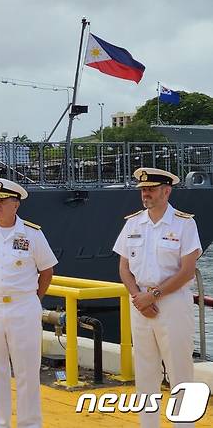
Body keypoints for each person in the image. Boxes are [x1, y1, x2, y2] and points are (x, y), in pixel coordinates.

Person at [113, 168, 201, 428]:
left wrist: (153, 296)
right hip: (140, 304)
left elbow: (187, 271)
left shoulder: (184, 223)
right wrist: (139, 298)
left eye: (150, 189)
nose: (145, 194)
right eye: (143, 190)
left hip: (171, 304)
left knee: (180, 372)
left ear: (166, 191)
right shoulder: (133, 223)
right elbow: (124, 267)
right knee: (145, 372)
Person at [0, 178, 56, 428]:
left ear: (15, 204)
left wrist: (32, 298)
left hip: (23, 307)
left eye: (2, 201)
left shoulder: (32, 234)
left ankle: (30, 424)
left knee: (27, 370)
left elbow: (47, 271)